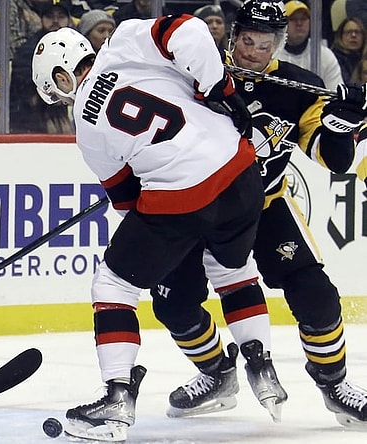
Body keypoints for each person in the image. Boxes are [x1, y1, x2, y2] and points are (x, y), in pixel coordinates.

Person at [31, 16, 268, 439]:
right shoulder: (125, 42)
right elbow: (189, 31)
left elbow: (126, 201)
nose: (65, 98)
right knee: (230, 268)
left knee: (113, 286)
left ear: (64, 77)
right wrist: (220, 88)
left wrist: (170, 215)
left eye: (58, 90)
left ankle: (117, 397)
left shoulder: (85, 129)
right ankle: (261, 364)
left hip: (181, 196)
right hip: (242, 173)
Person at [153, 0, 367, 427]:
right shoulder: (199, 72)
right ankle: (218, 374)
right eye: (246, 41)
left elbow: (333, 157)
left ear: (279, 44)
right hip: (195, 204)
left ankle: (335, 384)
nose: (253, 52)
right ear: (233, 37)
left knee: (316, 295)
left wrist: (341, 127)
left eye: (264, 44)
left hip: (266, 203)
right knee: (174, 305)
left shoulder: (297, 87)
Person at [11, 0, 75, 134]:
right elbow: (24, 90)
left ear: (69, 20)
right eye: (50, 16)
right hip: (32, 117)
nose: (55, 21)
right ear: (41, 19)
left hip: (63, 111)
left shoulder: (75, 47)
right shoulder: (29, 49)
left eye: (61, 16)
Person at [276, 1, 344, 90]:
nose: (299, 23)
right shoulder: (273, 53)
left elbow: (335, 92)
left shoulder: (325, 55)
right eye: (293, 19)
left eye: (304, 19)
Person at [330, 17, 366, 82]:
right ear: (341, 36)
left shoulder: (364, 58)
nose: (353, 35)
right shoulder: (333, 58)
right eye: (348, 32)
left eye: (357, 32)